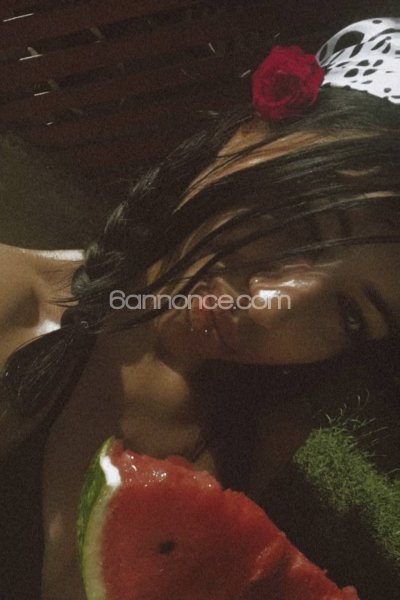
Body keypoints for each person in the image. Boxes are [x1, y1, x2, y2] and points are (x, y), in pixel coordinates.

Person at [1, 17, 400, 600]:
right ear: (245, 136)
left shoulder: (262, 427)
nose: (270, 310)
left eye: (350, 315)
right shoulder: (11, 302)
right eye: (304, 223)